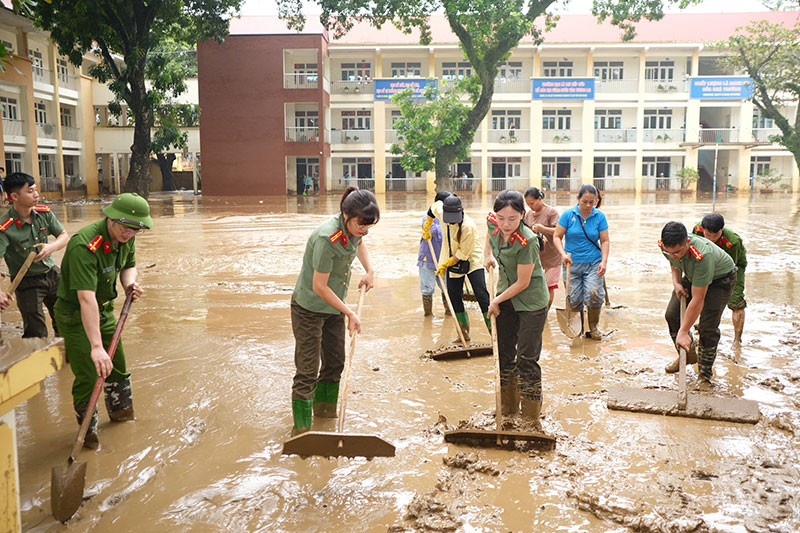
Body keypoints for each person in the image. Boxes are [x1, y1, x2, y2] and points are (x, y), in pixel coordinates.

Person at [54, 193, 151, 448]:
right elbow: (86, 300)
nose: (129, 234)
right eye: (125, 227)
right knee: (89, 372)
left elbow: (128, 264)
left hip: (105, 310)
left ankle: (122, 418)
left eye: (135, 230)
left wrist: (130, 284)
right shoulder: (84, 246)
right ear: (111, 218)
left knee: (116, 366)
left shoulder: (125, 236)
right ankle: (88, 437)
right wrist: (96, 348)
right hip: (75, 315)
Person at [290, 187, 379, 436]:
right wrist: (350, 313)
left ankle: (325, 416)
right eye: (361, 224)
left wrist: (369, 270)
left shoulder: (354, 230)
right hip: (309, 308)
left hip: (333, 307)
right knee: (307, 370)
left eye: (368, 226)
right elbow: (319, 286)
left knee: (335, 363)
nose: (363, 230)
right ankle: (302, 433)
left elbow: (358, 243)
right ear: (345, 214)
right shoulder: (326, 238)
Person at [484, 190, 549, 426]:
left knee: (526, 358)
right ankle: (508, 408)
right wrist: (487, 255)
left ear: (522, 215)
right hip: (505, 294)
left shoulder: (528, 241)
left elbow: (523, 283)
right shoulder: (494, 223)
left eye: (512, 219)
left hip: (531, 301)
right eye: (501, 218)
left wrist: (496, 301)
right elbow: (489, 234)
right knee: (503, 353)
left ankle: (530, 416)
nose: (506, 224)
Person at [660, 221, 737, 382]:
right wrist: (676, 282)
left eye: (678, 252)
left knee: (707, 327)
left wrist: (683, 331)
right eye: (669, 252)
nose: (674, 255)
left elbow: (698, 299)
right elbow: (674, 262)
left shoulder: (702, 255)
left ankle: (705, 374)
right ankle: (688, 356)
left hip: (720, 279)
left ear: (687, 242)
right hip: (692, 274)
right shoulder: (665, 246)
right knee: (672, 315)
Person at [0, 172, 69, 338]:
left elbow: (64, 236)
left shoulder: (44, 213)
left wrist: (51, 247)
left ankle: (67, 359)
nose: (36, 194)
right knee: (36, 331)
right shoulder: (5, 227)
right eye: (30, 191)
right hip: (26, 282)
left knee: (66, 320)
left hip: (52, 274)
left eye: (36, 190)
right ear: (14, 196)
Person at [423, 194, 490, 342]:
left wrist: (445, 264)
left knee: (481, 294)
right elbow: (431, 209)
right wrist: (427, 225)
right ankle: (463, 334)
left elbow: (463, 253)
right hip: (451, 257)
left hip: (471, 259)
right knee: (454, 296)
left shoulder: (468, 226)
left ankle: (495, 334)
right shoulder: (440, 210)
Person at [552, 184, 609, 340]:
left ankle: (594, 327)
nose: (588, 205)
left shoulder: (599, 217)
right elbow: (557, 236)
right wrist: (563, 254)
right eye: (585, 201)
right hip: (572, 264)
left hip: (594, 264)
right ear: (578, 199)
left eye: (592, 202)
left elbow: (604, 241)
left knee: (594, 293)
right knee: (574, 299)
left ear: (596, 200)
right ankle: (578, 330)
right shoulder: (568, 215)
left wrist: (603, 261)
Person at [691, 213, 747, 347]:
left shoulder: (732, 241)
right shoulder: (697, 229)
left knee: (736, 301)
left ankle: (737, 340)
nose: (711, 239)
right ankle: (704, 324)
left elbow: (730, 268)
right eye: (707, 235)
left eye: (715, 235)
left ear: (721, 230)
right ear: (703, 229)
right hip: (705, 264)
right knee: (702, 295)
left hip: (732, 268)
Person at [523, 187, 560, 310]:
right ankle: (537, 310)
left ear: (540, 199)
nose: (530, 206)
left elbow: (559, 231)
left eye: (532, 203)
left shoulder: (551, 212)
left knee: (548, 286)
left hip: (552, 257)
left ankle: (545, 311)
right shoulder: (528, 215)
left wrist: (543, 229)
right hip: (536, 257)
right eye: (528, 204)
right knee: (536, 287)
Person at [418, 190, 451, 317]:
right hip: (428, 258)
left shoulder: (451, 218)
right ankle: (428, 315)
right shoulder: (428, 218)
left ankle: (449, 312)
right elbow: (433, 232)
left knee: (447, 288)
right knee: (427, 288)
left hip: (444, 259)